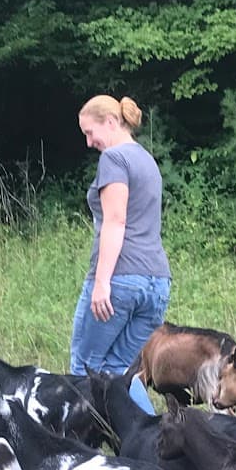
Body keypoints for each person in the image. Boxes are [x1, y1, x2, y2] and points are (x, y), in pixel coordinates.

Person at [70, 94, 169, 414]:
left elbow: (115, 220)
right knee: (117, 370)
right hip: (157, 283)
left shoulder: (114, 159)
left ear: (111, 122)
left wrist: (102, 282)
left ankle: (79, 449)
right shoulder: (146, 160)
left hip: (121, 280)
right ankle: (152, 444)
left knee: (84, 368)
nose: (88, 142)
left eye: (90, 132)